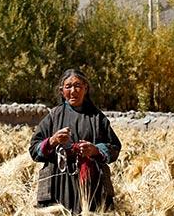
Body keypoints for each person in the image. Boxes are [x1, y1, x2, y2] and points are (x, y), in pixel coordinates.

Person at [29, 69, 121, 213]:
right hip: (58, 185)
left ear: (86, 88)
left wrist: (95, 150)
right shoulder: (53, 117)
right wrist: (52, 141)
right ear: (61, 90)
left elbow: (114, 147)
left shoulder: (97, 118)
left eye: (78, 85)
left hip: (91, 187)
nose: (73, 91)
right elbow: (34, 150)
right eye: (68, 86)